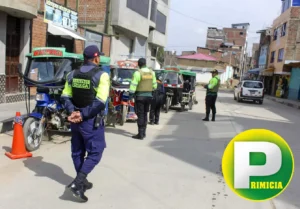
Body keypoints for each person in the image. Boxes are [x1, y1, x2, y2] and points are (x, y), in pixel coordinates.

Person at [61, 45, 110, 202]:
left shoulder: (72, 74)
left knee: (77, 151)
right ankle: (78, 183)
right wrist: (82, 114)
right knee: (96, 152)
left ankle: (82, 182)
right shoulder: (102, 75)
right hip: (90, 121)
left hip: (75, 120)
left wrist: (73, 112)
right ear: (96, 58)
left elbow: (65, 96)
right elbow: (100, 102)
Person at [129, 58, 157, 139]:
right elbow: (154, 85)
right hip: (149, 97)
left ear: (139, 64)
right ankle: (144, 133)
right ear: (145, 63)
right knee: (145, 114)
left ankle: (140, 134)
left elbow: (133, 86)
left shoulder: (138, 73)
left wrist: (130, 96)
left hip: (140, 97)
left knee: (140, 114)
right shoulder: (152, 73)